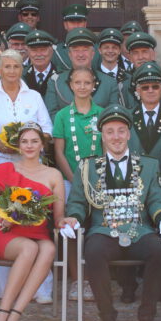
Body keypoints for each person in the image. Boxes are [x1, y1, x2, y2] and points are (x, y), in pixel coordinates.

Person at [61, 105, 161, 321]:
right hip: (104, 230)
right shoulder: (87, 167)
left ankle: (146, 318)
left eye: (121, 131)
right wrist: (73, 217)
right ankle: (107, 318)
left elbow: (155, 199)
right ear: (102, 136)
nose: (116, 137)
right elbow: (78, 202)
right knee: (93, 251)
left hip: (139, 229)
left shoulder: (148, 165)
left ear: (128, 134)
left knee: (159, 250)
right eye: (110, 131)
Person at [0, 48, 55, 301]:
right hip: (0, 164)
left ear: (23, 69)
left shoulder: (34, 97)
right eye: (7, 66)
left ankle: (40, 288)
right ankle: (6, 287)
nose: (12, 71)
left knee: (34, 220)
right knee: (6, 220)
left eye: (16, 66)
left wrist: (30, 141)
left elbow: (48, 130)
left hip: (32, 165)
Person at [0, 123, 65, 321]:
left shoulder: (54, 175)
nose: (29, 146)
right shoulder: (5, 170)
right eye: (24, 141)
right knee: (29, 248)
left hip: (39, 232)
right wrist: (2, 220)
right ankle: (2, 313)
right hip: (8, 234)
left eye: (34, 141)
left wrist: (66, 221)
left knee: (48, 249)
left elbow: (58, 217)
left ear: (42, 145)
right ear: (18, 145)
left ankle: (15, 316)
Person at [51, 65, 102, 303]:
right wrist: (74, 179)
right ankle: (76, 279)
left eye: (87, 83)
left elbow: (106, 149)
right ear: (70, 85)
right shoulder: (62, 116)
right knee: (72, 228)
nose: (82, 87)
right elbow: (59, 152)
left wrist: (96, 179)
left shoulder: (102, 113)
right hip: (70, 179)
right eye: (77, 82)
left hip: (98, 180)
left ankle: (94, 279)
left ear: (94, 86)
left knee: (97, 227)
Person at [44, 27, 115, 118]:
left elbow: (112, 115)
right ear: (69, 54)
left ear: (93, 53)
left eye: (85, 50)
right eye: (76, 50)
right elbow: (51, 113)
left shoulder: (109, 83)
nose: (80, 54)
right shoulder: (55, 81)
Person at [128, 61, 161, 170]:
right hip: (134, 177)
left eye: (155, 87)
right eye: (145, 87)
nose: (150, 90)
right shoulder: (127, 117)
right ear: (138, 90)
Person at [23, 29, 60, 98]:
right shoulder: (22, 75)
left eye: (43, 50)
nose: (39, 54)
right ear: (28, 52)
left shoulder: (61, 75)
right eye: (34, 50)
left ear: (51, 51)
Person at [53, 3, 89, 71]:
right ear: (65, 25)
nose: (76, 26)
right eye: (72, 22)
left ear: (85, 24)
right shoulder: (56, 51)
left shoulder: (96, 49)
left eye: (79, 22)